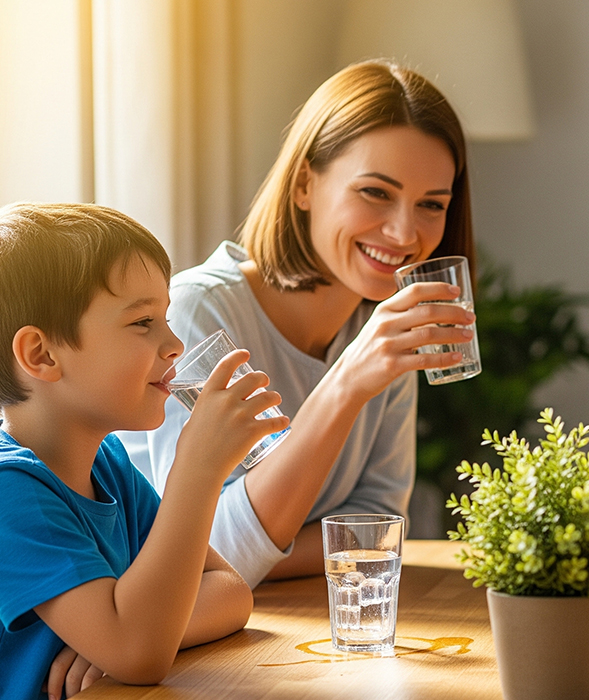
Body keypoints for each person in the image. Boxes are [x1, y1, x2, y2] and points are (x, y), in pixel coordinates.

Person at [117, 60, 476, 587]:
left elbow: (382, 527)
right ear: (305, 183)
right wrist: (347, 383)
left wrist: (257, 549)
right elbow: (204, 554)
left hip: (300, 619)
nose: (405, 232)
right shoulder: (198, 312)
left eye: (431, 204)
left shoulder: (382, 327)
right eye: (376, 192)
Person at [0, 203, 284, 698]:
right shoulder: (12, 492)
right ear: (42, 355)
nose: (174, 344)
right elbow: (139, 654)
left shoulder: (106, 464)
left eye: (167, 318)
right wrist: (197, 471)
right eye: (142, 323)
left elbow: (231, 592)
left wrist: (122, 640)